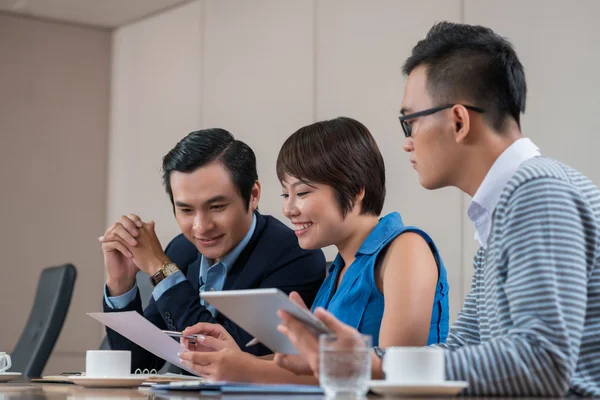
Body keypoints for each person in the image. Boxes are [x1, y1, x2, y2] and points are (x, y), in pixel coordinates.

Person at [273, 22, 600, 397]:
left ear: (459, 121)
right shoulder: (505, 208)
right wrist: (357, 359)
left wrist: (370, 364)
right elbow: (463, 347)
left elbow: (540, 363)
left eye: (409, 123)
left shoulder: (538, 193)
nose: (407, 143)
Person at [178, 117, 450, 383]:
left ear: (355, 189)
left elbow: (394, 372)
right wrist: (235, 357)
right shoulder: (339, 269)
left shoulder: (405, 249)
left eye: (303, 193)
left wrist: (249, 369)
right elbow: (312, 366)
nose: (288, 209)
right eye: (286, 194)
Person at [100, 128, 326, 372]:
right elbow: (137, 366)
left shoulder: (295, 255)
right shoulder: (182, 249)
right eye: (186, 210)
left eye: (216, 207)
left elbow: (225, 361)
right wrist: (121, 284)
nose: (201, 227)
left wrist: (162, 271)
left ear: (253, 195)